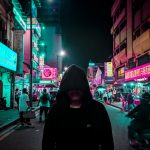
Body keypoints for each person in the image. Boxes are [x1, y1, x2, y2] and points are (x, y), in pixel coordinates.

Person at [42, 65, 114, 150]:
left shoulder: (98, 109)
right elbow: (47, 142)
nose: (75, 90)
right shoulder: (56, 110)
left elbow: (107, 142)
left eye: (78, 87)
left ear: (84, 87)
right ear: (65, 88)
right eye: (71, 87)